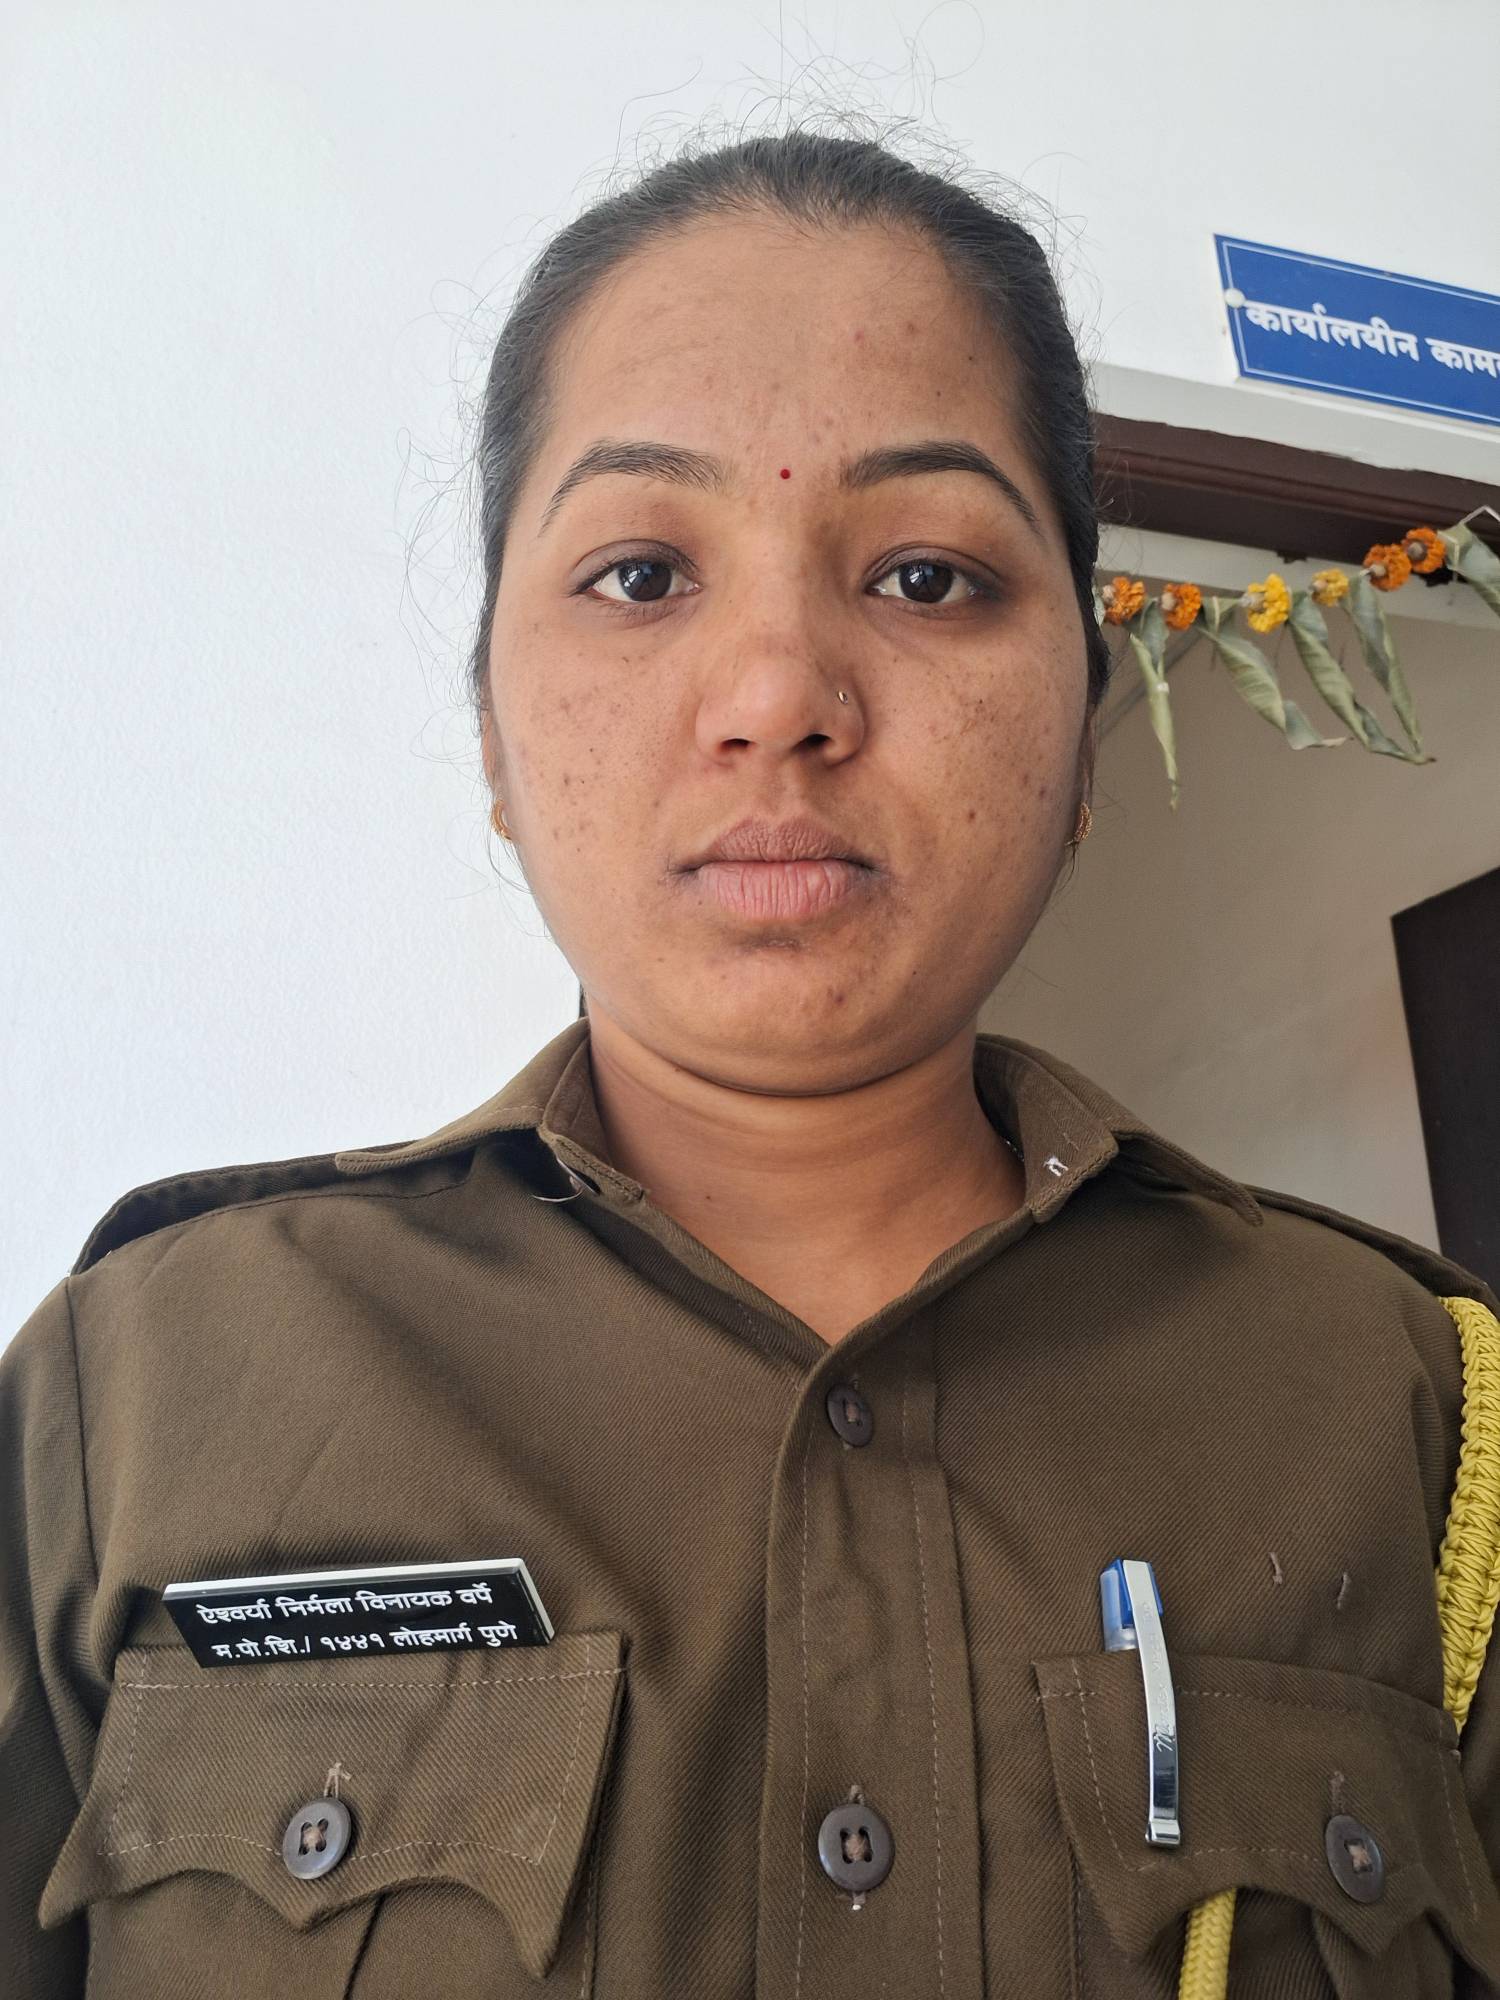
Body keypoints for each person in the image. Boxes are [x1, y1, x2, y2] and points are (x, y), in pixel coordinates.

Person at [4, 123, 1498, 2000]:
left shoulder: (1413, 1407)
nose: (781, 694)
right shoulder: (134, 1393)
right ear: (493, 735)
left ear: (1084, 733)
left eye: (930, 577)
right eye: (642, 572)